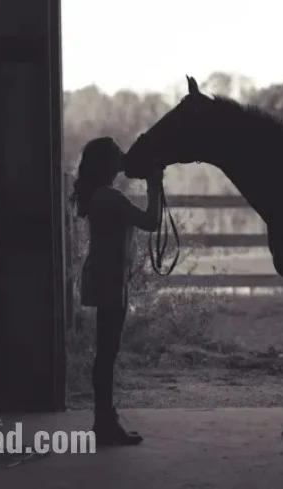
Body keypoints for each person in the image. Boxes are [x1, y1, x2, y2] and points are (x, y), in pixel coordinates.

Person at [69, 136, 162, 446]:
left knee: (106, 352)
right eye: (117, 155)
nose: (122, 159)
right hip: (110, 279)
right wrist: (154, 184)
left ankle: (104, 420)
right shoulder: (110, 197)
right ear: (107, 163)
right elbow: (151, 222)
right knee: (107, 353)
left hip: (107, 276)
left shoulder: (100, 195)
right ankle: (105, 423)